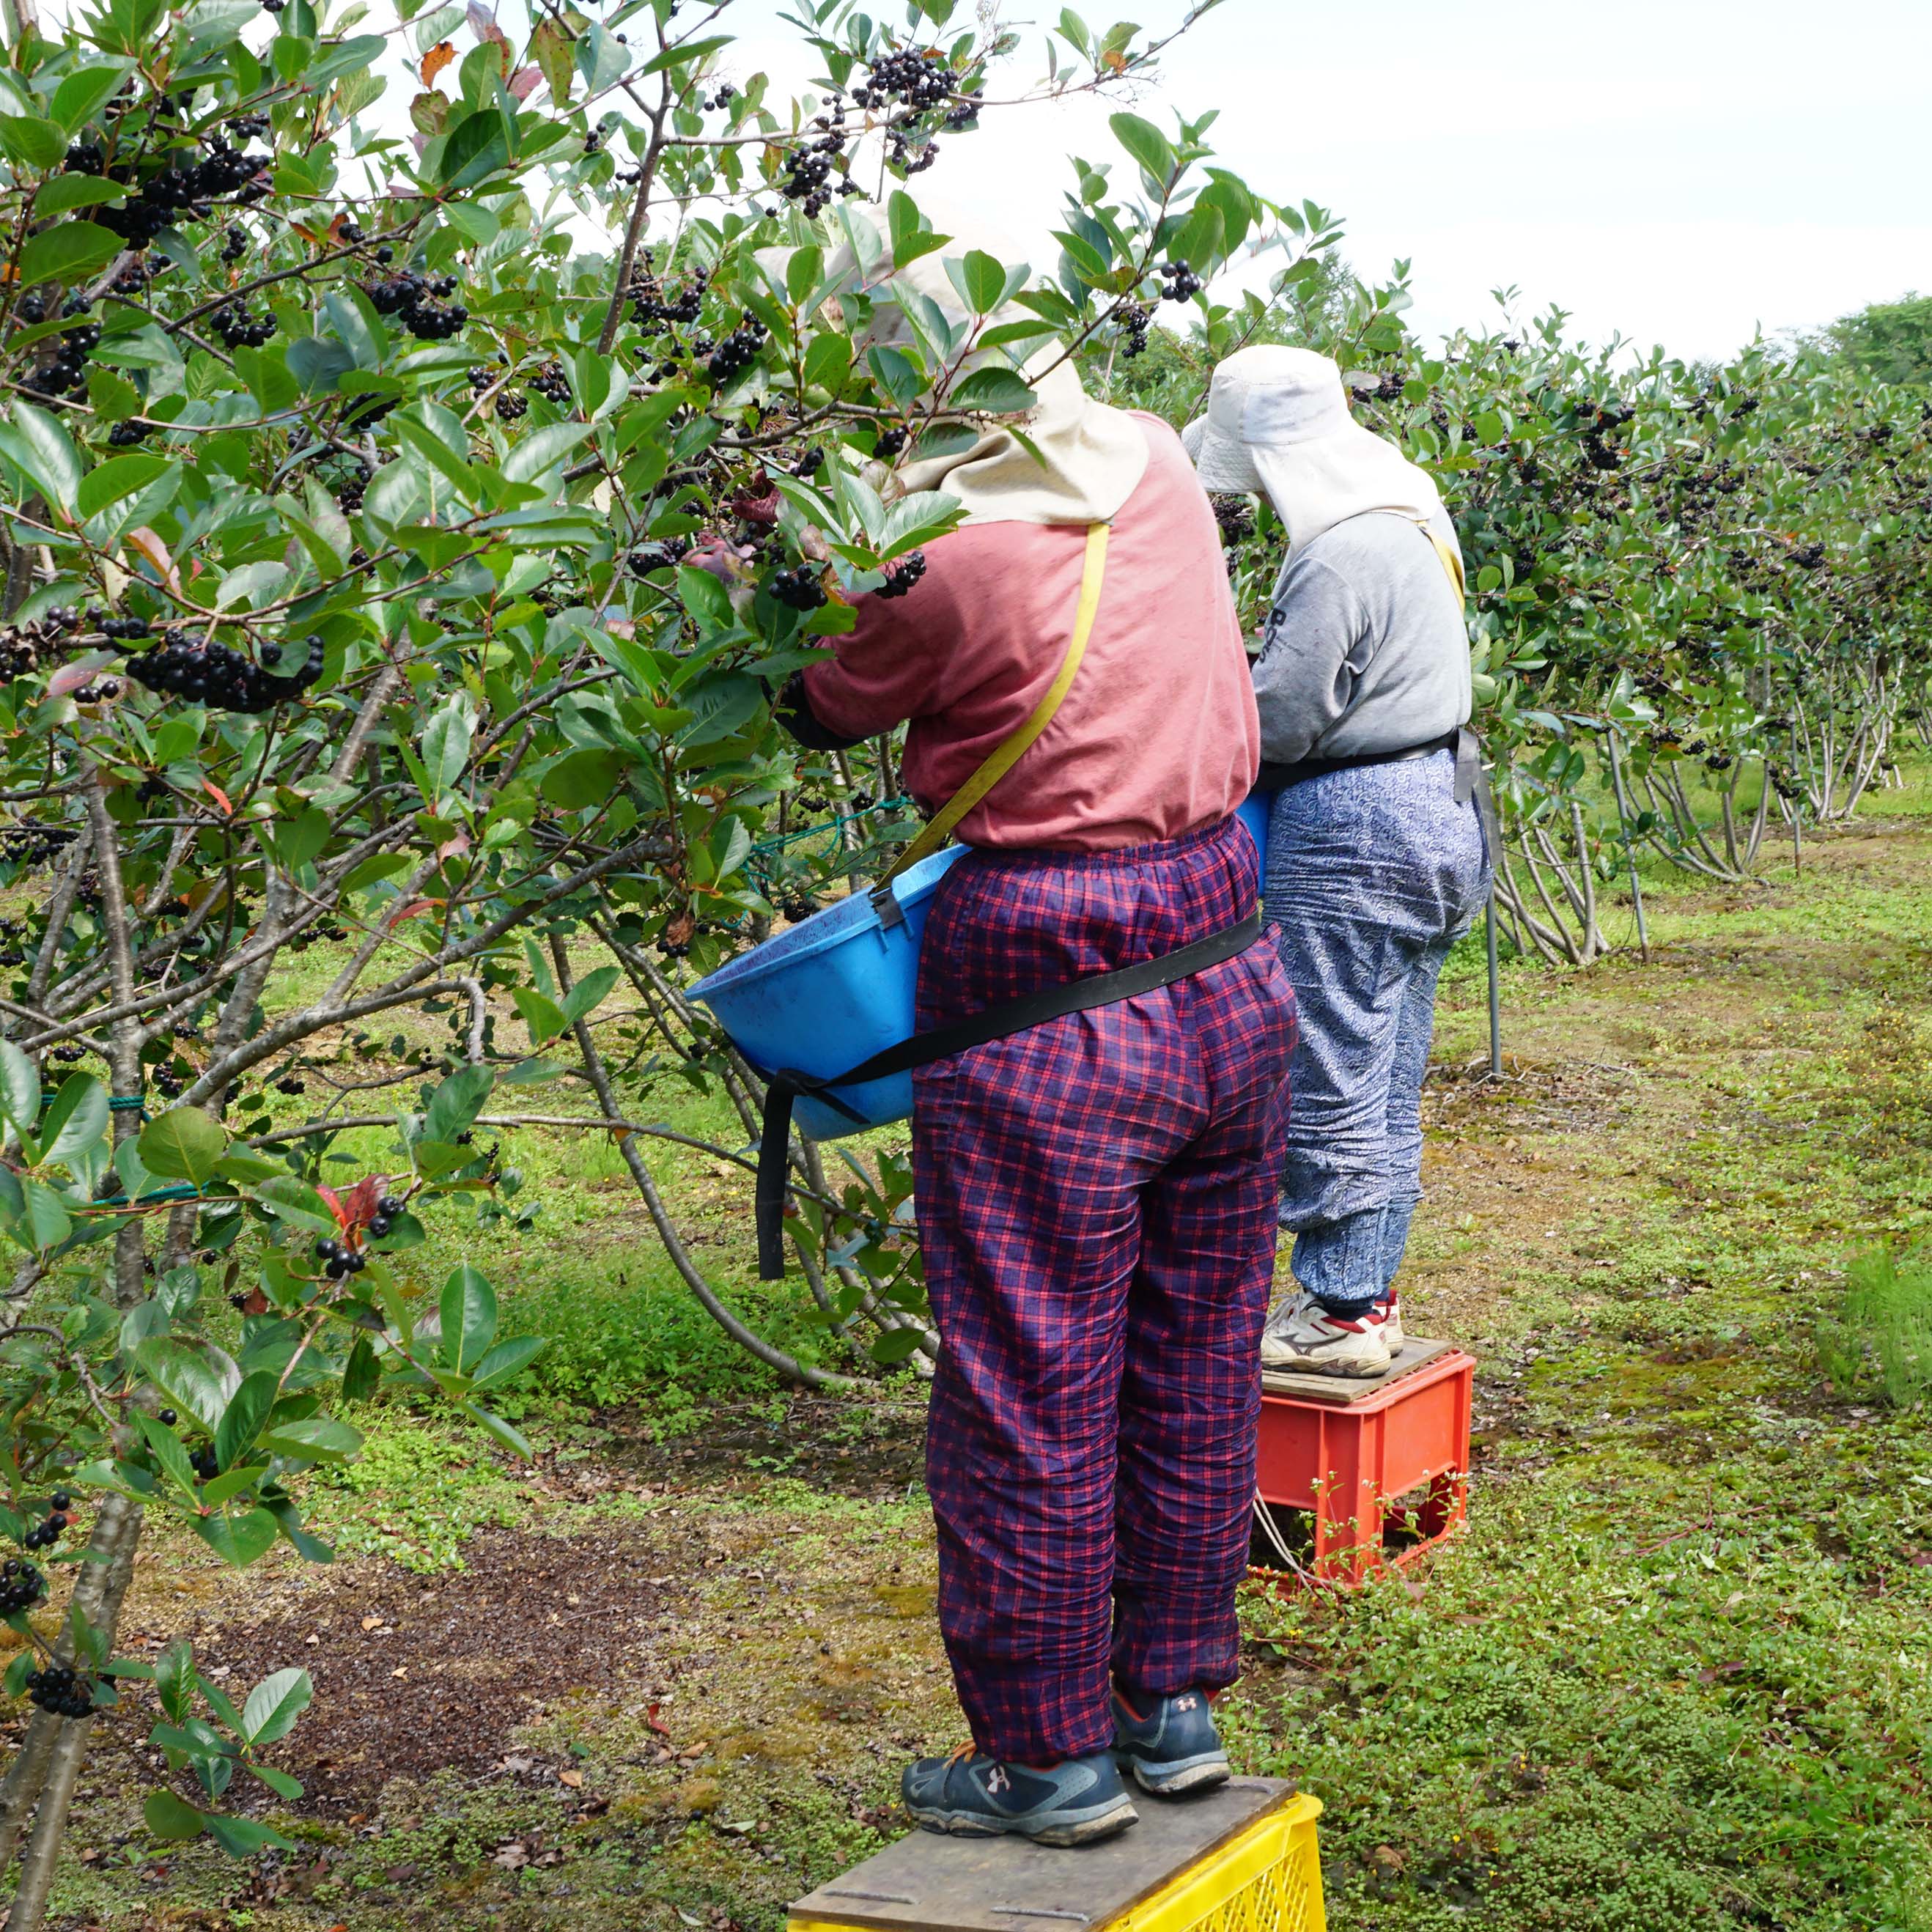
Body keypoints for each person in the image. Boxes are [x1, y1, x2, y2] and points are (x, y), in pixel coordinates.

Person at [776, 228, 1296, 1847]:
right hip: (1229, 943)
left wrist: (774, 550)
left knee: (1029, 1377)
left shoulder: (943, 558)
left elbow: (818, 700)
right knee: (1197, 1347)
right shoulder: (1145, 458)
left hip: (1050, 979)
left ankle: (1047, 1752)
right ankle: (1173, 1701)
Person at [1184, 346, 1494, 1379]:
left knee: (1330, 1066)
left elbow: (1286, 715)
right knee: (1388, 1068)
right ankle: (1364, 1290)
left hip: (1357, 830)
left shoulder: (1339, 553)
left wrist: (1193, 707)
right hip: (1441, 807)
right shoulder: (1410, 516)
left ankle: (1344, 1311)